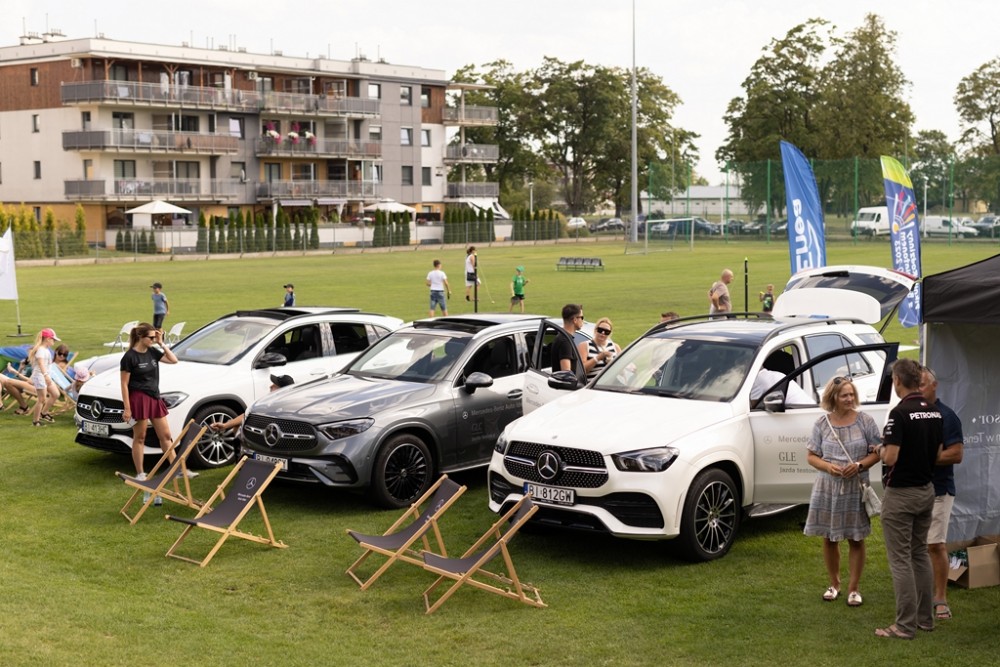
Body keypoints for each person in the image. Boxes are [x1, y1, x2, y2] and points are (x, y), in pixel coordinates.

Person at [875, 358, 943, 639]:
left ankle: (904, 625)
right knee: (919, 554)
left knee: (900, 559)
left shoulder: (899, 413)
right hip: (926, 490)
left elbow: (891, 457)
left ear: (897, 381)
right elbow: (938, 453)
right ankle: (925, 619)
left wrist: (880, 450)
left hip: (901, 493)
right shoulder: (935, 412)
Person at [803, 376, 882, 607]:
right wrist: (828, 467)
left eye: (851, 394)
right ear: (833, 397)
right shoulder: (821, 423)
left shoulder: (865, 421)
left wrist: (859, 465)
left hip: (855, 486)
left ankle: (854, 589)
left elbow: (878, 452)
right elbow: (811, 456)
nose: (849, 398)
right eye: (844, 395)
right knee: (829, 538)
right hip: (828, 487)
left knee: (856, 538)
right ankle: (834, 584)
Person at [919, 366, 964, 622]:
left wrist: (924, 457)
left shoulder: (947, 416)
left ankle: (940, 599)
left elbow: (956, 454)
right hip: (912, 489)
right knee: (916, 546)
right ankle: (919, 594)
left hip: (939, 489)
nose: (918, 390)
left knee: (935, 545)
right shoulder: (908, 413)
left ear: (934, 385)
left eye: (922, 385)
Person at [120, 323, 179, 483]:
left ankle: (176, 470)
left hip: (154, 397)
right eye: (151, 337)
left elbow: (173, 360)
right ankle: (140, 473)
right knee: (140, 437)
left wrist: (161, 343)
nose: (153, 340)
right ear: (140, 337)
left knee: (166, 436)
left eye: (155, 337)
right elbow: (124, 384)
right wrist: (127, 408)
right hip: (138, 399)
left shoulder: (153, 351)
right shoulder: (129, 357)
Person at [210, 374, 294, 433]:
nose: (270, 386)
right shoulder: (268, 403)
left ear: (283, 390)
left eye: (275, 385)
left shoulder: (290, 409)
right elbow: (247, 415)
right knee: (237, 426)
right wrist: (225, 425)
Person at [28, 328, 61, 426]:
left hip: (46, 376)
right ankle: (36, 421)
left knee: (55, 394)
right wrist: (46, 376)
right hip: (40, 376)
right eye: (53, 339)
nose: (54, 342)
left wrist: (48, 376)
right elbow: (41, 364)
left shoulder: (46, 350)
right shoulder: (41, 350)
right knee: (41, 399)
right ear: (47, 339)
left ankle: (44, 413)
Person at [551, 304, 583, 372]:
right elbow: (566, 373)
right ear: (575, 320)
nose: (582, 320)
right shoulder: (565, 341)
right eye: (582, 317)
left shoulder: (562, 337)